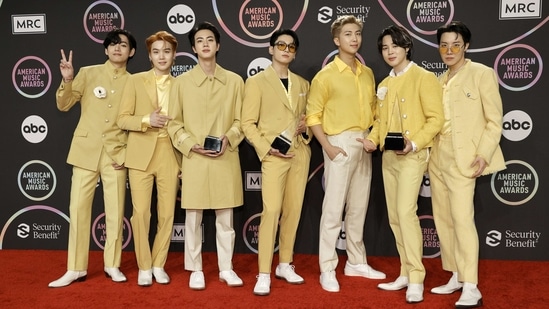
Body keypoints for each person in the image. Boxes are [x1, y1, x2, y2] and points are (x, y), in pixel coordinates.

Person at [362, 25, 444, 303]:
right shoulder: (384, 84)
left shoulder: (424, 77)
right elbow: (378, 122)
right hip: (388, 157)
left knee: (406, 213)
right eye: (384, 48)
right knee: (396, 217)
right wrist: (372, 140)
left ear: (406, 47)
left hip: (413, 156)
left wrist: (415, 143)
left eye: (394, 46)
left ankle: (417, 277)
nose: (390, 52)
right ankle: (405, 272)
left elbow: (435, 119)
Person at [49, 29, 137, 288]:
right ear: (105, 50)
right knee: (77, 210)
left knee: (115, 212)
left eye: (123, 45)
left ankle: (112, 264)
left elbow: (134, 121)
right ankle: (75, 268)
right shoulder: (86, 73)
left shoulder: (135, 81)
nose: (117, 48)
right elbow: (63, 105)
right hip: (85, 151)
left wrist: (128, 153)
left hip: (117, 154)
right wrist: (66, 80)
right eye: (112, 44)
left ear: (131, 52)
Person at [306, 15, 386, 293]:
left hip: (365, 142)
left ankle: (356, 261)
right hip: (338, 142)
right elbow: (313, 116)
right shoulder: (325, 76)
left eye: (357, 34)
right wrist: (327, 147)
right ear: (336, 40)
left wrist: (374, 137)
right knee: (333, 209)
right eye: (348, 34)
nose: (354, 39)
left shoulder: (367, 74)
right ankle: (327, 267)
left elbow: (376, 112)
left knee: (358, 207)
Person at [429, 21, 506, 308]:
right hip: (438, 157)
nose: (449, 50)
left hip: (466, 158)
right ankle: (457, 275)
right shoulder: (438, 80)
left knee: (462, 220)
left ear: (467, 46)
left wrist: (484, 153)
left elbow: (494, 120)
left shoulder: (482, 74)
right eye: (444, 45)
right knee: (444, 220)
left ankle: (471, 286)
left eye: (455, 44)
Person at [167, 21, 245, 290]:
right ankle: (195, 269)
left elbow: (241, 120)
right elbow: (173, 123)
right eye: (199, 40)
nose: (205, 44)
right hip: (195, 160)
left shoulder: (235, 81)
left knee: (226, 218)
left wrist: (230, 138)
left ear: (218, 45)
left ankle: (226, 268)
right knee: (193, 218)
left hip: (225, 157)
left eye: (210, 39)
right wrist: (190, 144)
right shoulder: (181, 83)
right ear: (193, 47)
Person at [241, 29, 311, 296]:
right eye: (280, 45)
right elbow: (247, 124)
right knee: (271, 212)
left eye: (291, 46)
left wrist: (305, 128)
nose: (285, 49)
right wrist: (266, 148)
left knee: (293, 211)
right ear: (271, 49)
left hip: (299, 154)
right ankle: (263, 272)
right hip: (273, 156)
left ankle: (284, 263)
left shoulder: (303, 84)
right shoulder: (257, 82)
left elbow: (308, 121)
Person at [117, 31, 181, 286]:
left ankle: (158, 264)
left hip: (170, 152)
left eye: (166, 51)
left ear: (174, 55)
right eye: (156, 52)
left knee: (166, 214)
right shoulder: (134, 81)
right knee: (141, 213)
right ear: (149, 56)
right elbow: (122, 118)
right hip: (140, 152)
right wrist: (146, 120)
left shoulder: (182, 84)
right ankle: (144, 265)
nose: (162, 56)